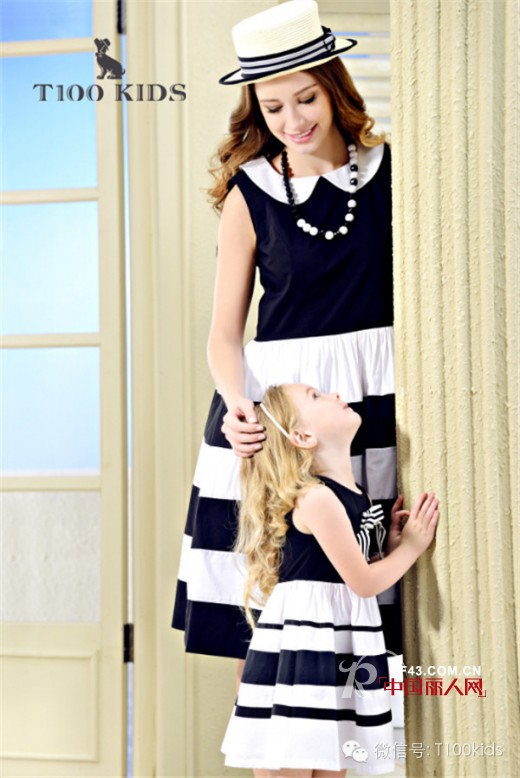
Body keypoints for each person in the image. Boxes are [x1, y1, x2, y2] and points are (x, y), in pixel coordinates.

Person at [172, 0, 400, 665]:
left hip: (370, 394)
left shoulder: (390, 171)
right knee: (270, 608)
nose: (293, 121)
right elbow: (223, 334)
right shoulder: (249, 195)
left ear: (334, 88)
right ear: (256, 109)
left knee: (371, 589)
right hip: (280, 408)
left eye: (306, 99)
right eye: (273, 108)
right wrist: (238, 404)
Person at [221, 383, 440, 776]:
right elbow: (364, 583)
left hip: (334, 643)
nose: (335, 394)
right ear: (302, 436)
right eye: (316, 397)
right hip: (307, 649)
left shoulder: (354, 495)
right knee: (295, 760)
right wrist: (411, 548)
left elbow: (355, 566)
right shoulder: (317, 498)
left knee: (332, 761)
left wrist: (387, 547)